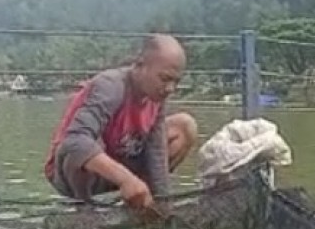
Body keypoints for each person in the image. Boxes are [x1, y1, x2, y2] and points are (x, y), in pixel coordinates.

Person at [43, 34, 199, 212]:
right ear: (140, 65)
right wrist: (126, 179)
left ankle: (140, 200)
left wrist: (162, 202)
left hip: (119, 160)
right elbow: (75, 141)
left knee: (185, 127)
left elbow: (156, 150)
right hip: (71, 173)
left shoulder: (156, 96)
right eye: (164, 79)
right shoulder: (111, 86)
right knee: (80, 146)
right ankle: (85, 208)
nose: (170, 89)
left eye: (175, 81)